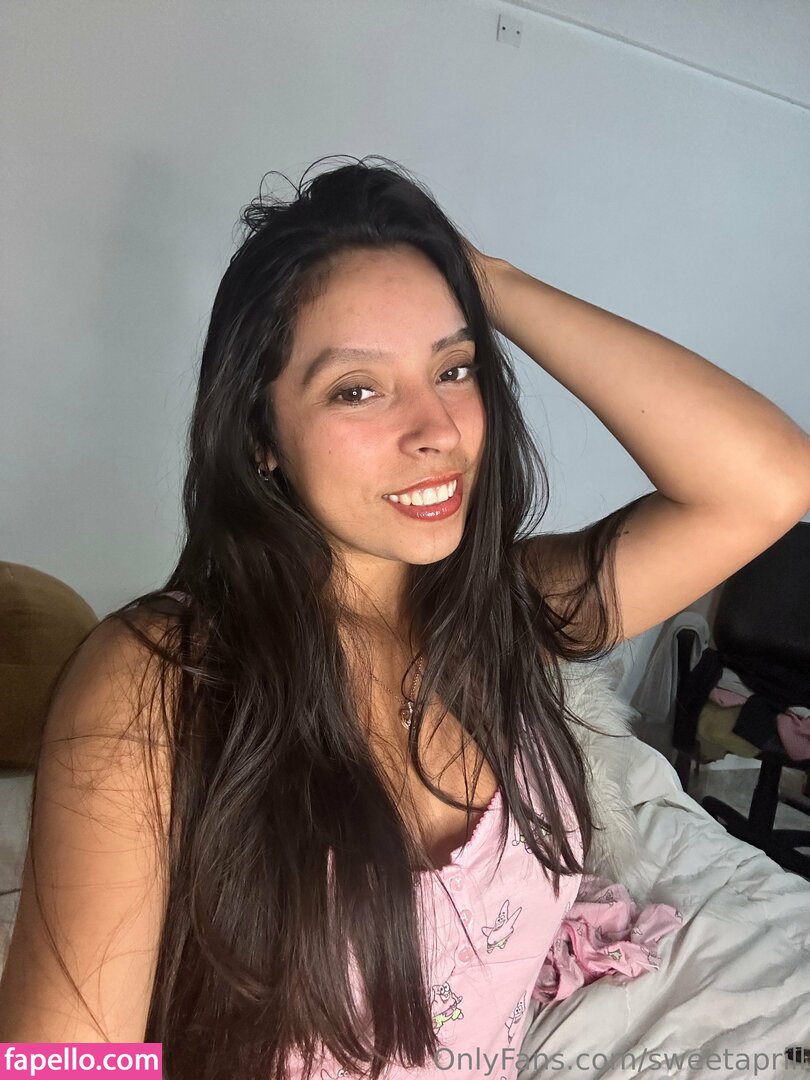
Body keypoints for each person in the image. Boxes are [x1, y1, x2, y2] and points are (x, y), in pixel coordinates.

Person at [2, 155, 808, 1080]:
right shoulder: (158, 679)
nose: (437, 431)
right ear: (261, 436)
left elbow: (769, 482)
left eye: (453, 368)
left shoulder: (505, 611)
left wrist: (485, 279)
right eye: (358, 388)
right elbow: (65, 1063)